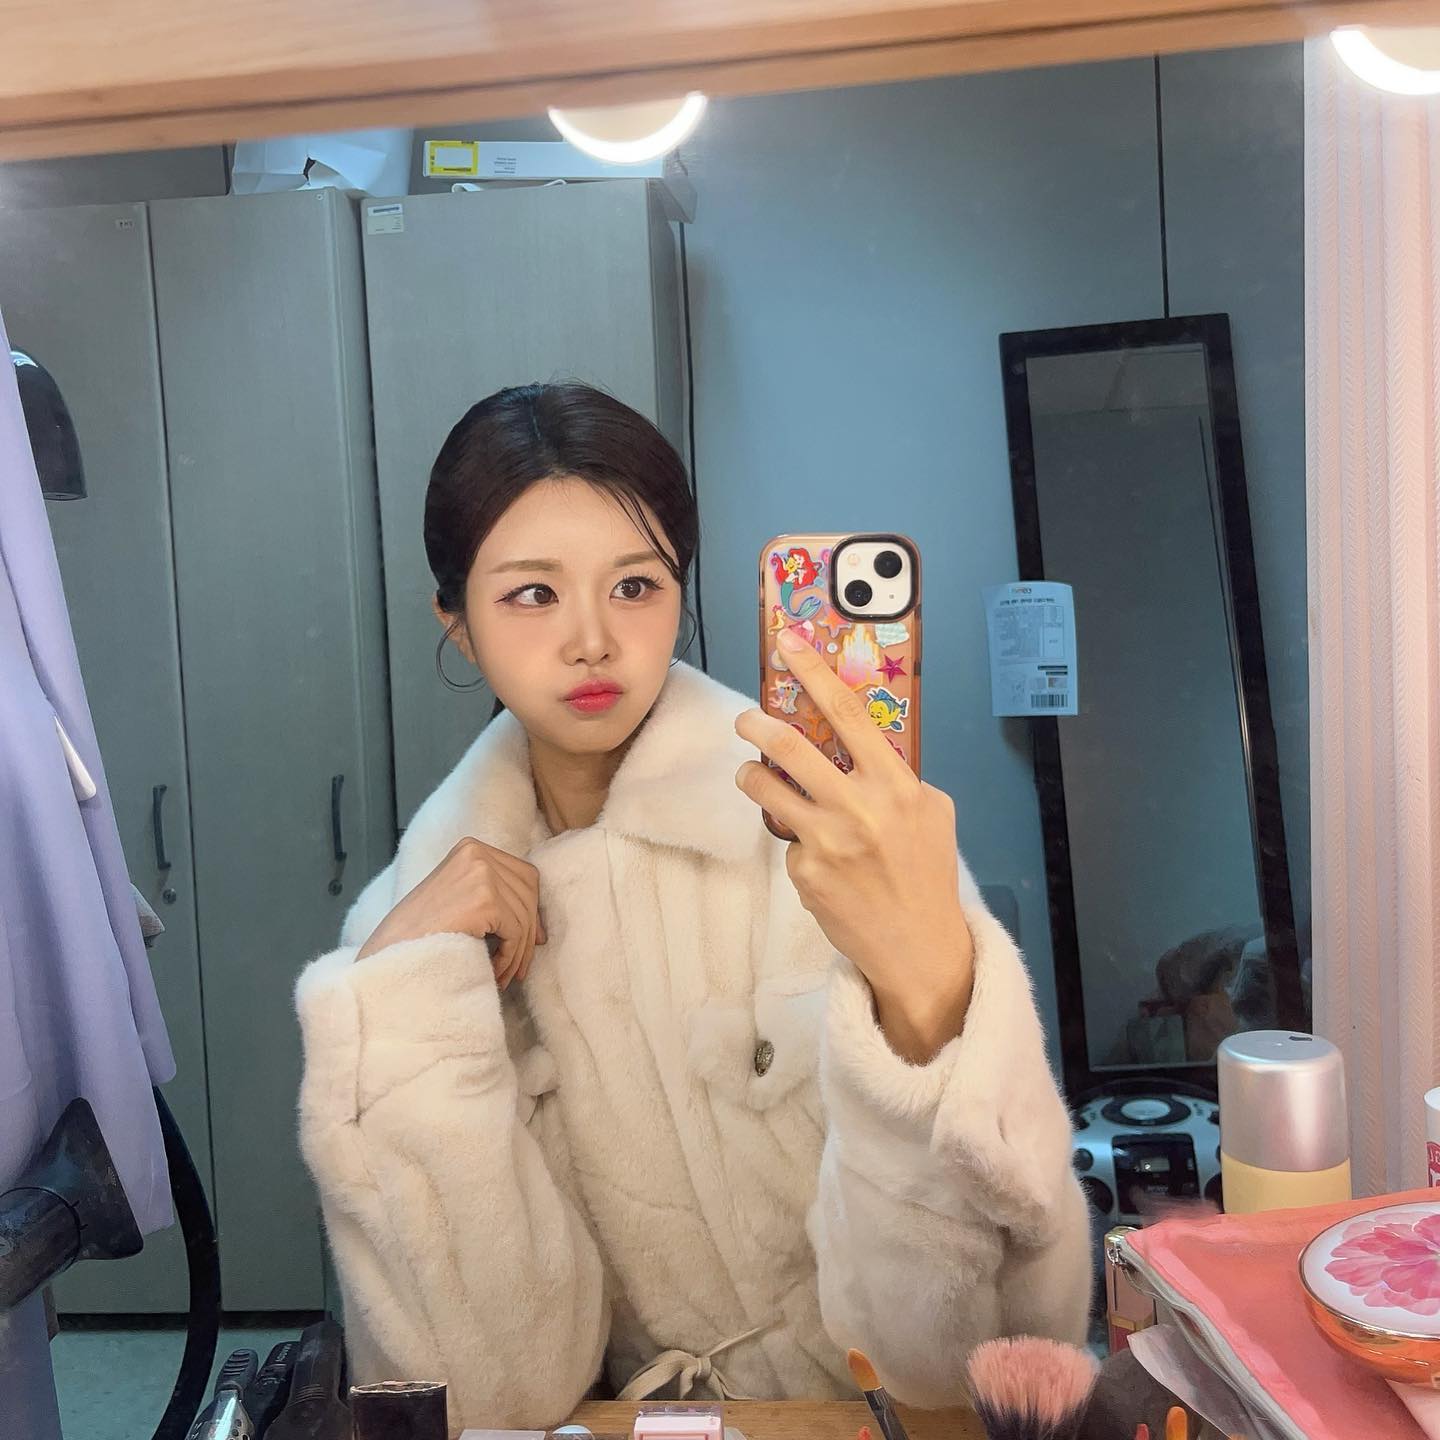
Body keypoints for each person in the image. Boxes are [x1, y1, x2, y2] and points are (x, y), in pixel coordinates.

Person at [295, 382, 1091, 1431]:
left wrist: (927, 989)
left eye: (635, 585)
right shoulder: (412, 934)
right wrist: (409, 995)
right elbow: (486, 1394)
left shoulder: (823, 840)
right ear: (457, 622)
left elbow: (986, 1354)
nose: (591, 640)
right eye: (532, 595)